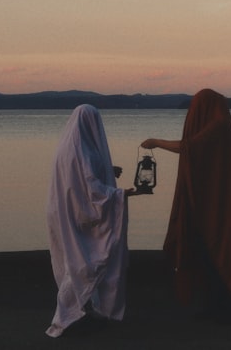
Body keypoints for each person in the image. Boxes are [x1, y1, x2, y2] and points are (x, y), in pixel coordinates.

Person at [142, 88, 231, 323]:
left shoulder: (218, 127)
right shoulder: (222, 125)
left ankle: (225, 309)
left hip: (215, 206)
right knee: (206, 252)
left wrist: (156, 142)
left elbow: (189, 147)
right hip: (213, 200)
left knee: (215, 250)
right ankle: (215, 307)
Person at [46, 104, 135, 338]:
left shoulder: (70, 145)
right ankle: (67, 318)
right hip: (75, 214)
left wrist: (108, 170)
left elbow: (80, 176)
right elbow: (92, 189)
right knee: (82, 263)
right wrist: (123, 194)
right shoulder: (80, 150)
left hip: (63, 211)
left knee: (74, 262)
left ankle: (80, 312)